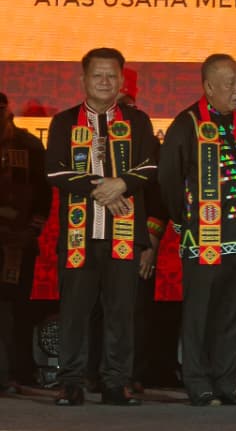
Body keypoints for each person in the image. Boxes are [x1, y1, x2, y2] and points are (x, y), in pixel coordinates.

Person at [45, 48, 158, 406]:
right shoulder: (64, 122)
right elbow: (55, 170)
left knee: (121, 313)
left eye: (112, 75)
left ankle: (115, 382)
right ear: (83, 80)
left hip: (124, 233)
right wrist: (104, 189)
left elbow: (150, 166)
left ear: (122, 80)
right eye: (97, 75)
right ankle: (71, 382)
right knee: (74, 312)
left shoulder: (138, 121)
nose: (105, 82)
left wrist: (121, 184)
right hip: (79, 235)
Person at [159, 53, 236, 406]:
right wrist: (184, 221)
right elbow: (168, 179)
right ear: (208, 87)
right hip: (202, 236)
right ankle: (198, 381)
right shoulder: (187, 123)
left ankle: (227, 382)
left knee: (233, 315)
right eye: (230, 83)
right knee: (200, 314)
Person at [0, 93, 51, 394]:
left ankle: (20, 371)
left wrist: (33, 230)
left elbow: (43, 194)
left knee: (17, 309)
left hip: (17, 243)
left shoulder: (28, 145)